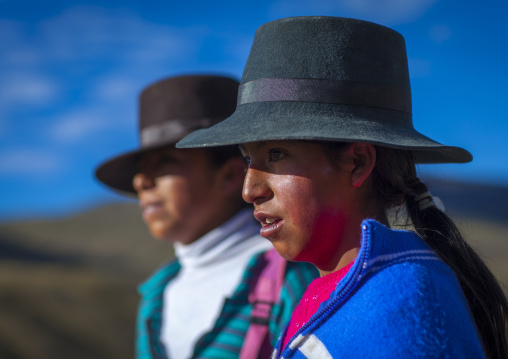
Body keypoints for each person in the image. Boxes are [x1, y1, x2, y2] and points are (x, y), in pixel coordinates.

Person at [176, 17, 508, 358]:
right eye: (249, 159)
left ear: (358, 163)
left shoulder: (400, 302)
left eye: (276, 154)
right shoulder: (337, 293)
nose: (250, 190)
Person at [95, 75, 317, 359]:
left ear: (229, 176)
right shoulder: (156, 295)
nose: (141, 181)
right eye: (141, 170)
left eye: (166, 162)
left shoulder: (288, 277)